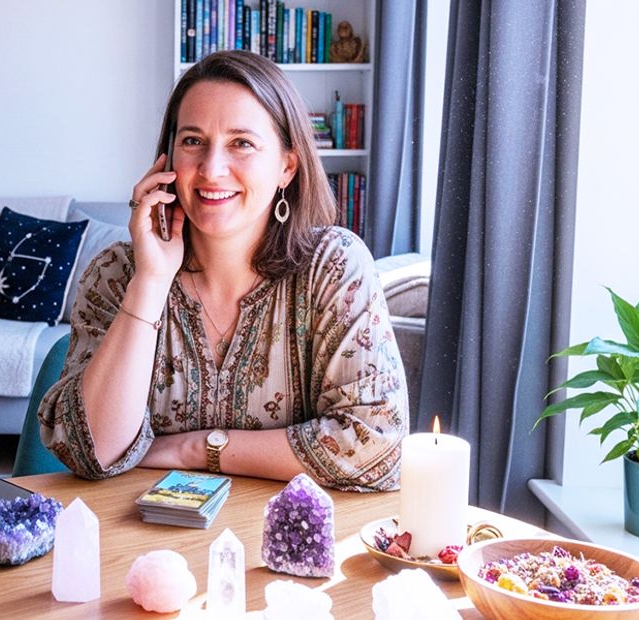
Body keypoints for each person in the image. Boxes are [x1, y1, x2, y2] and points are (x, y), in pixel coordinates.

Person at [38, 50, 407, 492]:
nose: (211, 169)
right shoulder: (116, 273)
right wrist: (151, 282)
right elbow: (90, 451)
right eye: (193, 140)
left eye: (242, 143)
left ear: (287, 166)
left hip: (281, 542)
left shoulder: (333, 267)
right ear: (167, 159)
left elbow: (375, 444)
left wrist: (196, 449)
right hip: (140, 543)